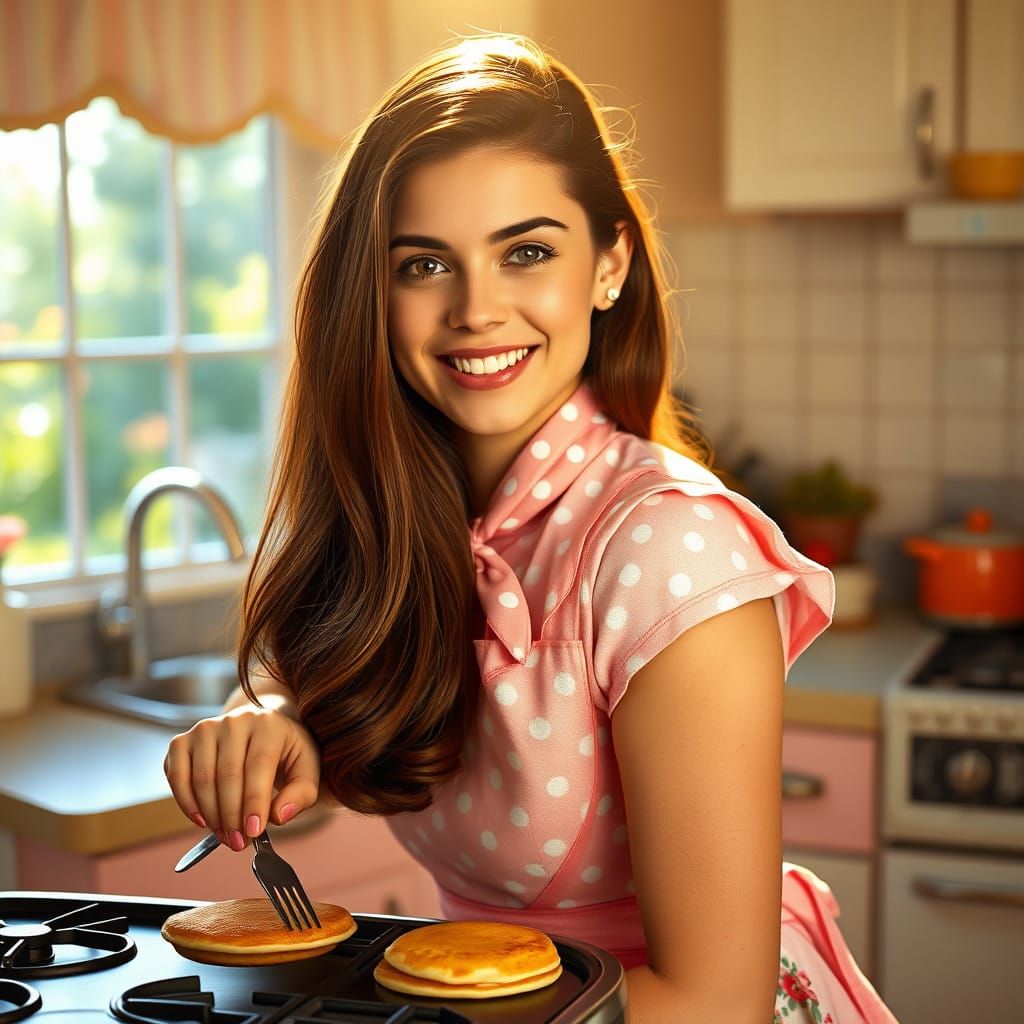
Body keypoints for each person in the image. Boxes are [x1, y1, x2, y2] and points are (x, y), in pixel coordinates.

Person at [163, 34, 897, 1023]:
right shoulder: (401, 517)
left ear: (609, 267)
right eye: (425, 263)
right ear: (372, 295)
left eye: (527, 251)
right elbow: (348, 676)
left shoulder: (668, 552)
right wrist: (277, 716)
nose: (476, 308)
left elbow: (717, 1001)